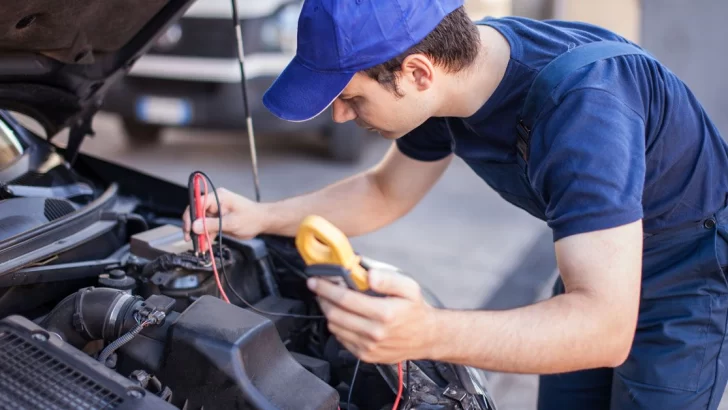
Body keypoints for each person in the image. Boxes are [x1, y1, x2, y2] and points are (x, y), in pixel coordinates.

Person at [182, 0, 728, 408]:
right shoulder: (455, 80)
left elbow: (602, 328)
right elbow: (383, 191)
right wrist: (259, 217)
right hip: (599, 262)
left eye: (351, 97)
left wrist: (428, 332)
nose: (341, 117)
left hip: (687, 276)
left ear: (417, 72)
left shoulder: (584, 108)